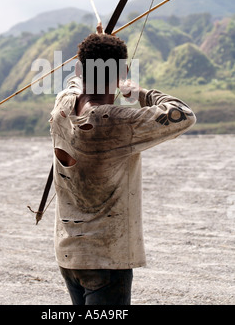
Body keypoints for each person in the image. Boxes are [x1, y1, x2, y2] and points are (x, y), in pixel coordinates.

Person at [49, 23, 196, 305]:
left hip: (69, 254)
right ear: (122, 74)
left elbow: (73, 85)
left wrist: (98, 47)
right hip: (105, 257)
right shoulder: (117, 121)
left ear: (79, 71)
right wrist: (139, 92)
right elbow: (183, 114)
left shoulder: (61, 107)